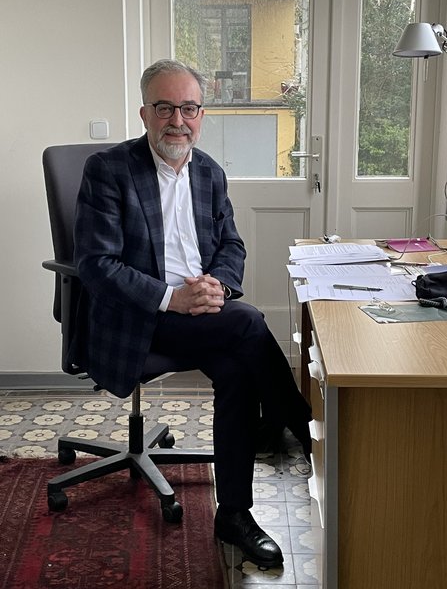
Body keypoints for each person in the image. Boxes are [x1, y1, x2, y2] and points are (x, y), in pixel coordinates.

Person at [73, 59, 312, 569]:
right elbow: (96, 265)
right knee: (247, 322)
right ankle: (293, 421)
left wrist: (216, 285)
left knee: (237, 369)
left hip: (201, 316)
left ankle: (234, 513)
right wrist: (172, 297)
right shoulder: (109, 170)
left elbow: (231, 244)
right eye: (165, 108)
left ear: (202, 115)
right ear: (145, 113)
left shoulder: (208, 172)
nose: (177, 120)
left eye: (189, 108)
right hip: (136, 319)